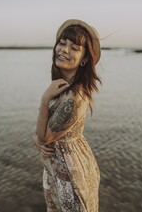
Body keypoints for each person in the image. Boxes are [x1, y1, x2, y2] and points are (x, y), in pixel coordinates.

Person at [33, 19, 102, 212]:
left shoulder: (75, 97)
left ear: (84, 59)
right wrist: (36, 138)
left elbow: (45, 137)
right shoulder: (62, 86)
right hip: (53, 170)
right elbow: (43, 133)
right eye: (62, 43)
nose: (64, 49)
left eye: (74, 47)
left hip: (71, 176)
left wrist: (45, 98)